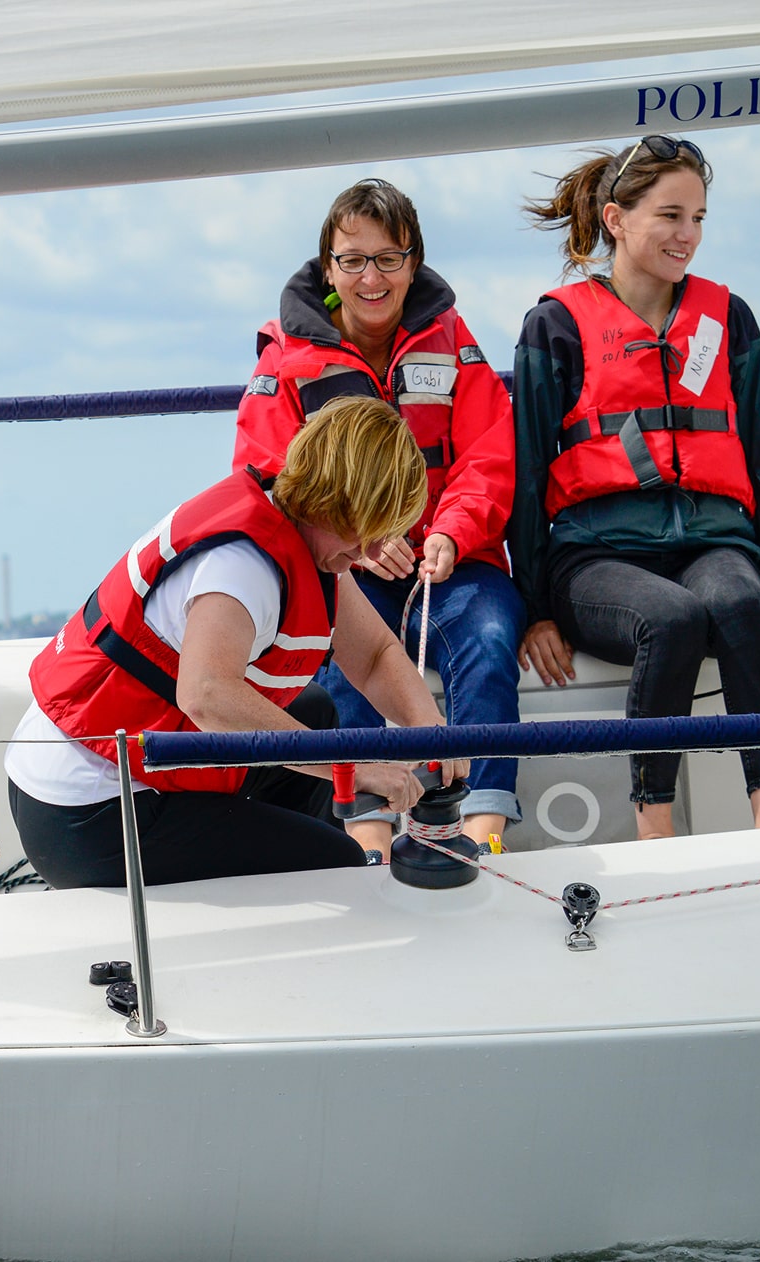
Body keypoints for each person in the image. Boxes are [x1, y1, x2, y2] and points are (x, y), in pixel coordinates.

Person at [7, 395, 469, 885]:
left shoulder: (307, 530)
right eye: (367, 531)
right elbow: (205, 695)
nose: (374, 552)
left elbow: (374, 657)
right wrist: (353, 770)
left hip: (118, 771)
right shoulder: (242, 565)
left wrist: (430, 729)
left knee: (315, 710)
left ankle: (280, 872)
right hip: (86, 811)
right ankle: (300, 880)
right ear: (331, 499)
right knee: (339, 865)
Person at [512, 136, 760, 839]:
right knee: (670, 619)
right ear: (615, 219)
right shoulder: (554, 326)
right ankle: (654, 826)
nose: (687, 236)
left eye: (698, 218)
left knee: (739, 600)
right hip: (596, 556)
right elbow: (522, 476)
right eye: (670, 215)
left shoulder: (729, 319)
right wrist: (533, 609)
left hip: (712, 540)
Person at [234, 178, 523, 857]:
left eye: (388, 258)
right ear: (328, 269)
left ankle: (481, 831)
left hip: (451, 564)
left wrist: (452, 531)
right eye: (353, 260)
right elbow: (265, 473)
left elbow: (489, 457)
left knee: (487, 642)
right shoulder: (287, 359)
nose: (371, 276)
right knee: (330, 663)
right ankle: (369, 838)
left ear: (413, 261)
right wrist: (360, 543)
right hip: (345, 565)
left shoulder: (455, 344)